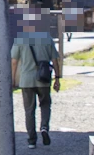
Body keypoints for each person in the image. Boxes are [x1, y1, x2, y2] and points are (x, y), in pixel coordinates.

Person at [11, 13, 61, 147]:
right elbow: (55, 60)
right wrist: (57, 78)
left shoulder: (20, 39)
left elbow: (14, 62)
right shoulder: (47, 38)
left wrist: (13, 79)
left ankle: (31, 140)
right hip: (43, 78)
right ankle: (44, 127)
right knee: (45, 105)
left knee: (29, 110)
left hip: (26, 79)